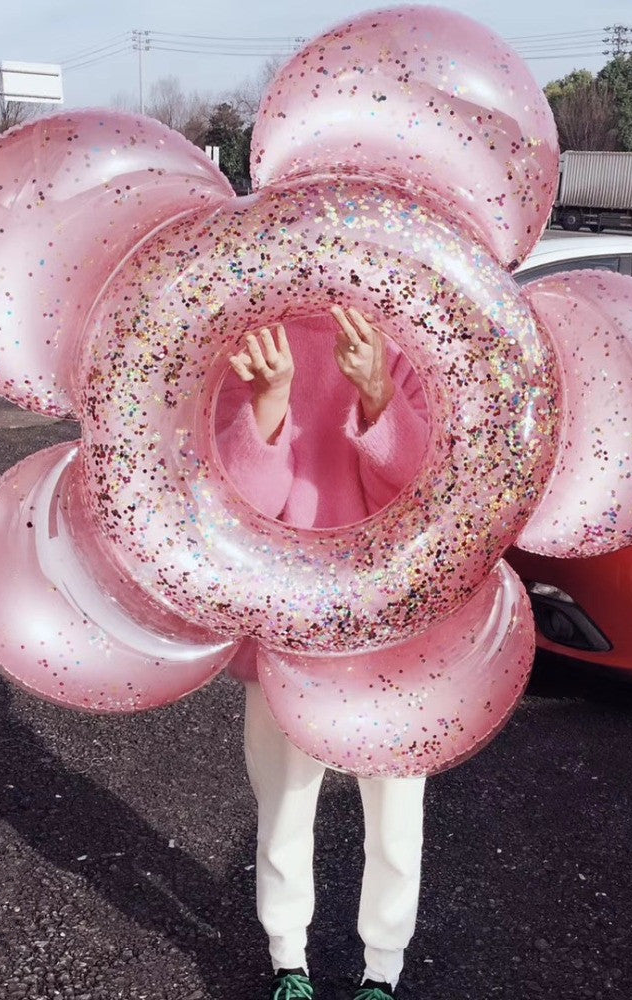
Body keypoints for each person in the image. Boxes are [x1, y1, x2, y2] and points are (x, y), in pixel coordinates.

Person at [216, 305, 429, 1000]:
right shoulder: (251, 340)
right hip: (285, 622)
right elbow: (241, 505)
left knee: (395, 813)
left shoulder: (409, 341)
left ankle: (383, 969)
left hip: (388, 622)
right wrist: (270, 405)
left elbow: (427, 494)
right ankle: (289, 961)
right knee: (284, 804)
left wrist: (378, 397)